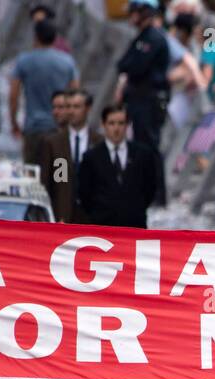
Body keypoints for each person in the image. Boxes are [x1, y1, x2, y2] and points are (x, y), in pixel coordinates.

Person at [116, 0, 172, 191]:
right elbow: (122, 64)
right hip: (138, 99)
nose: (131, 16)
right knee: (139, 145)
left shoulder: (154, 38)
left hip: (149, 100)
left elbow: (136, 67)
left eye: (135, 12)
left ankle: (155, 192)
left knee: (149, 145)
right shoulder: (141, 37)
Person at [10, 17, 79, 166]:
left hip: (33, 129)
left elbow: (13, 95)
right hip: (59, 129)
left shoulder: (24, 61)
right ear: (55, 38)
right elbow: (75, 93)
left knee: (33, 178)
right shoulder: (67, 61)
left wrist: (14, 122)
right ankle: (59, 189)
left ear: (36, 37)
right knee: (60, 176)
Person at [78, 105, 158, 229]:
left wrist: (135, 207)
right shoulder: (91, 157)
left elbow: (150, 188)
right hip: (102, 226)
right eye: (112, 123)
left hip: (134, 225)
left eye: (121, 123)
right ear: (103, 125)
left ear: (127, 125)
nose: (116, 128)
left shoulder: (143, 154)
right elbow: (85, 193)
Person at [41, 89, 100, 223]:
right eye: (68, 107)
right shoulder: (53, 143)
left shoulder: (99, 142)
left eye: (77, 106)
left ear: (87, 108)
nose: (71, 111)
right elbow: (47, 183)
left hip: (93, 216)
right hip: (63, 215)